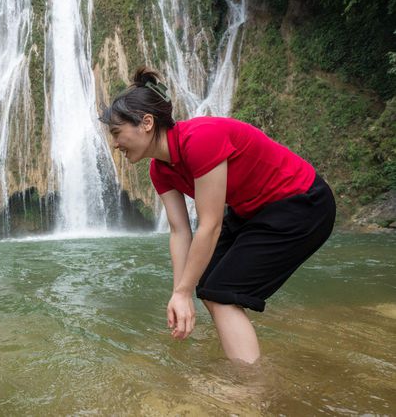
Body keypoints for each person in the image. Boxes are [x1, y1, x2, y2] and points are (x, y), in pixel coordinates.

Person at [99, 67, 336, 363]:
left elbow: (209, 225)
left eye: (117, 133)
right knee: (208, 285)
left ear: (146, 123)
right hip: (254, 211)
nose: (115, 144)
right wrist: (179, 293)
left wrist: (185, 292)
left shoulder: (200, 138)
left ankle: (248, 388)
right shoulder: (159, 169)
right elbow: (179, 232)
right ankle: (240, 354)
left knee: (222, 292)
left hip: (302, 203)